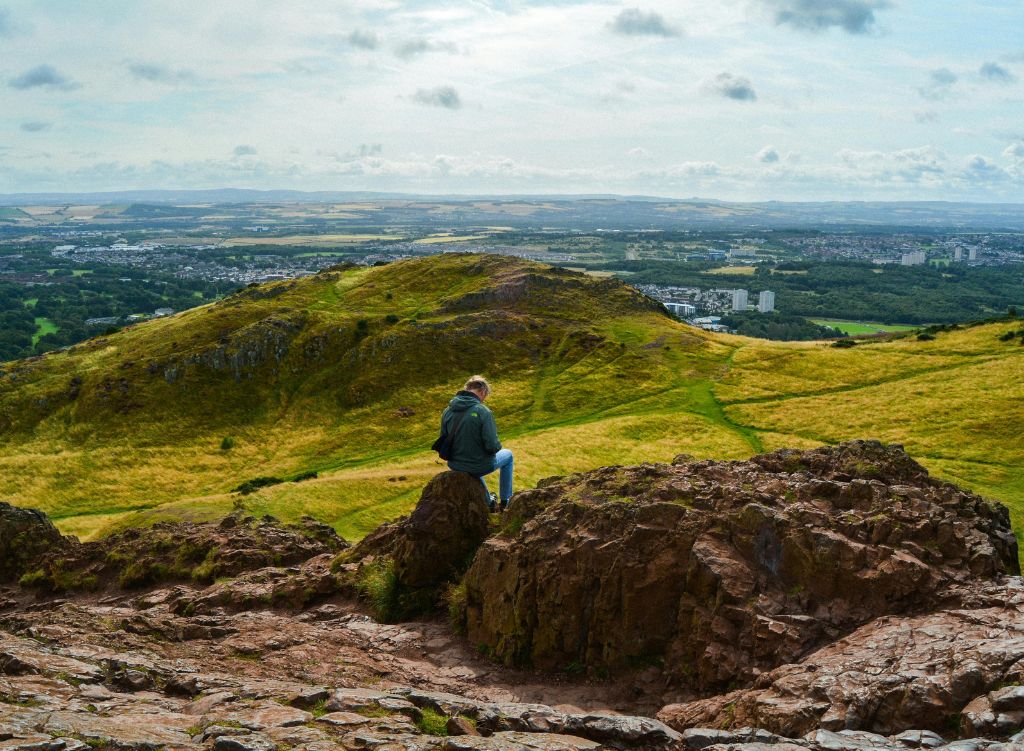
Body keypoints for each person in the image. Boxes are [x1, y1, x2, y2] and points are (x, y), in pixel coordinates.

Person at [439, 375, 513, 512]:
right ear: (483, 391)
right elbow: (492, 446)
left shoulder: (447, 411)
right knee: (508, 455)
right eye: (486, 395)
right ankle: (506, 501)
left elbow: (443, 437)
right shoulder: (483, 411)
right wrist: (495, 447)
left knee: (472, 466)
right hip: (478, 465)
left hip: (455, 465)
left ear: (467, 389)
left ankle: (490, 503)